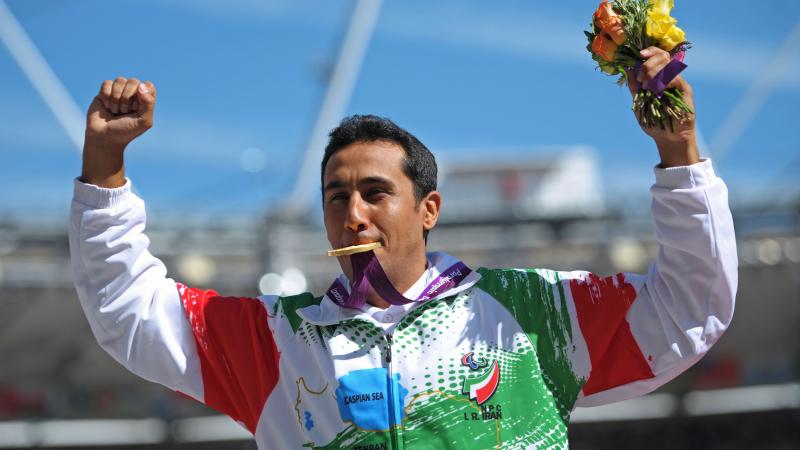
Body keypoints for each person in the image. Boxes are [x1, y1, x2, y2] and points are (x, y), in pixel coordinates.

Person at [69, 46, 737, 449]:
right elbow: (128, 308)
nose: (353, 215)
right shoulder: (280, 342)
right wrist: (104, 169)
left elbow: (688, 307)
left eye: (373, 193)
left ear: (428, 211)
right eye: (336, 197)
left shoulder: (529, 314)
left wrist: (679, 156)